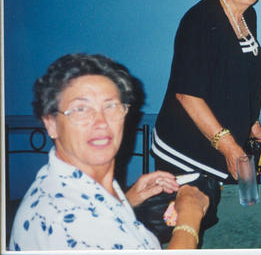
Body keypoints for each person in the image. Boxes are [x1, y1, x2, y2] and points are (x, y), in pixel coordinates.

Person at [9, 54, 210, 251]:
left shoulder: (64, 183)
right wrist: (189, 218)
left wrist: (125, 201)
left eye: (111, 106)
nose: (101, 122)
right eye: (81, 109)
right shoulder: (67, 221)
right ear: (51, 123)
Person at [152, 0, 261, 182]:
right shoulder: (201, 20)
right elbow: (187, 95)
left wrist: (253, 126)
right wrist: (229, 147)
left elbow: (241, 79)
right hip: (187, 150)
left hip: (223, 145)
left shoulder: (247, 16)